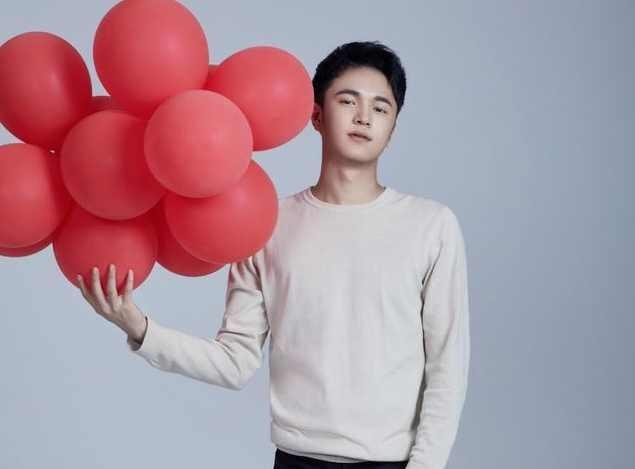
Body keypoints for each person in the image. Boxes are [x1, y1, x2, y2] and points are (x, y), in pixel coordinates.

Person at [77, 41, 471, 469]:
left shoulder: (431, 226)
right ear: (316, 116)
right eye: (347, 101)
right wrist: (140, 328)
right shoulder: (266, 224)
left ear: (392, 128)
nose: (363, 117)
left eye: (381, 108)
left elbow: (447, 367)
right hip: (296, 461)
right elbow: (235, 360)